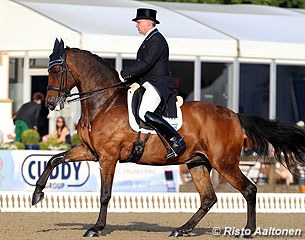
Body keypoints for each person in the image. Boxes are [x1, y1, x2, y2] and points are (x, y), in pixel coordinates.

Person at [120, 8, 186, 160]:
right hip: (149, 82)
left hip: (159, 84)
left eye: (139, 22)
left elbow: (146, 63)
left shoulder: (157, 40)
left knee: (144, 112)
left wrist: (124, 73)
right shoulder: (150, 39)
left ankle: (176, 140)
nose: (137, 24)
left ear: (149, 22)